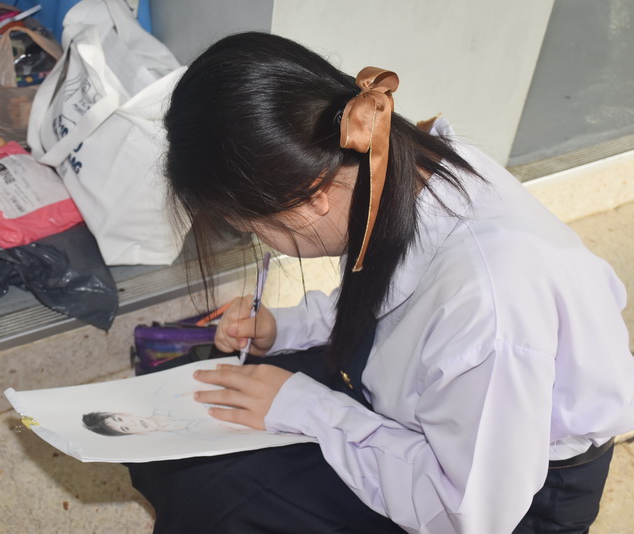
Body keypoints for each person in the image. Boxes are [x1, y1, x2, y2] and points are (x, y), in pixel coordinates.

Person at [127, 32, 634, 533]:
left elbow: (465, 515)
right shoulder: (387, 162)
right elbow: (392, 302)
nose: (258, 241)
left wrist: (304, 407)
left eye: (252, 229)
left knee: (218, 501)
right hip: (427, 406)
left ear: (312, 197)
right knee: (185, 415)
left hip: (502, 499)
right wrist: (284, 328)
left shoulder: (491, 303)